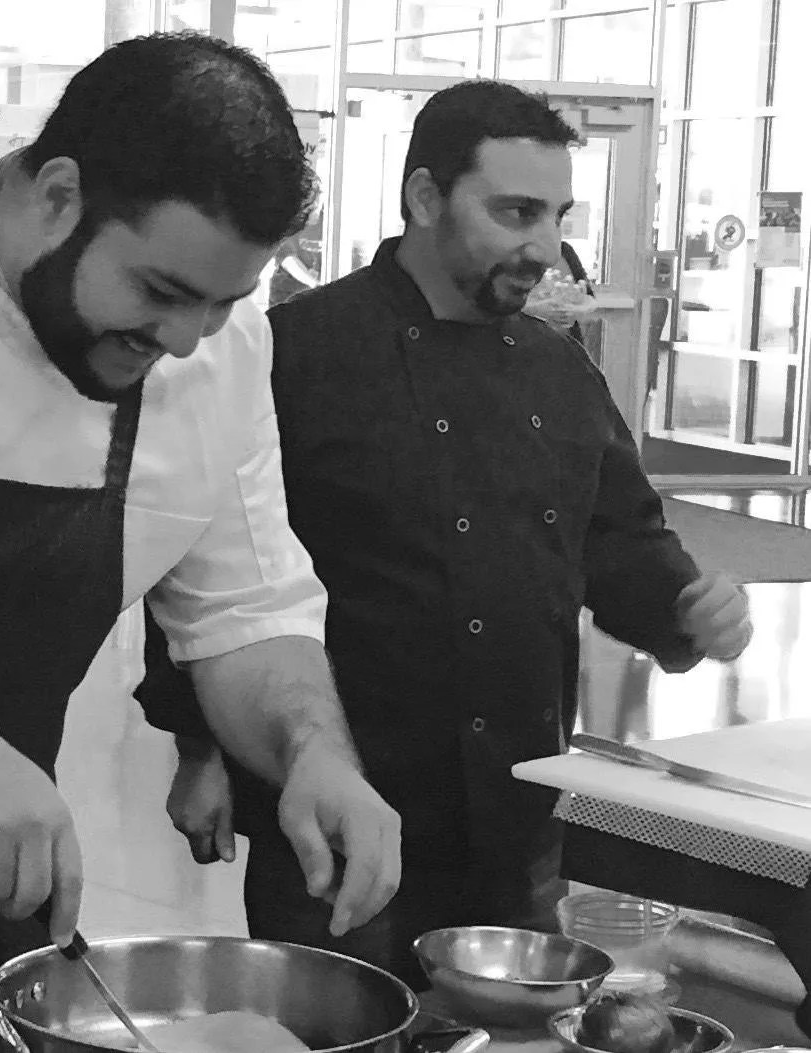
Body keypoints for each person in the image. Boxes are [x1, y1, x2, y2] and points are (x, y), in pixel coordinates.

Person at [0, 33, 401, 1047]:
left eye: (224, 304)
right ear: (58, 194)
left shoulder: (217, 345)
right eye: (160, 293)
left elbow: (245, 612)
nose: (185, 341)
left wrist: (314, 755)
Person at [135, 79, 752, 990]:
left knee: (507, 1035)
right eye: (514, 212)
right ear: (425, 197)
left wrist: (685, 609)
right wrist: (198, 751)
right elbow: (211, 568)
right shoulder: (292, 352)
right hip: (340, 808)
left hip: (518, 809)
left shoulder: (558, 370)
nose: (544, 246)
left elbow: (619, 539)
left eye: (556, 215)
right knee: (338, 1028)